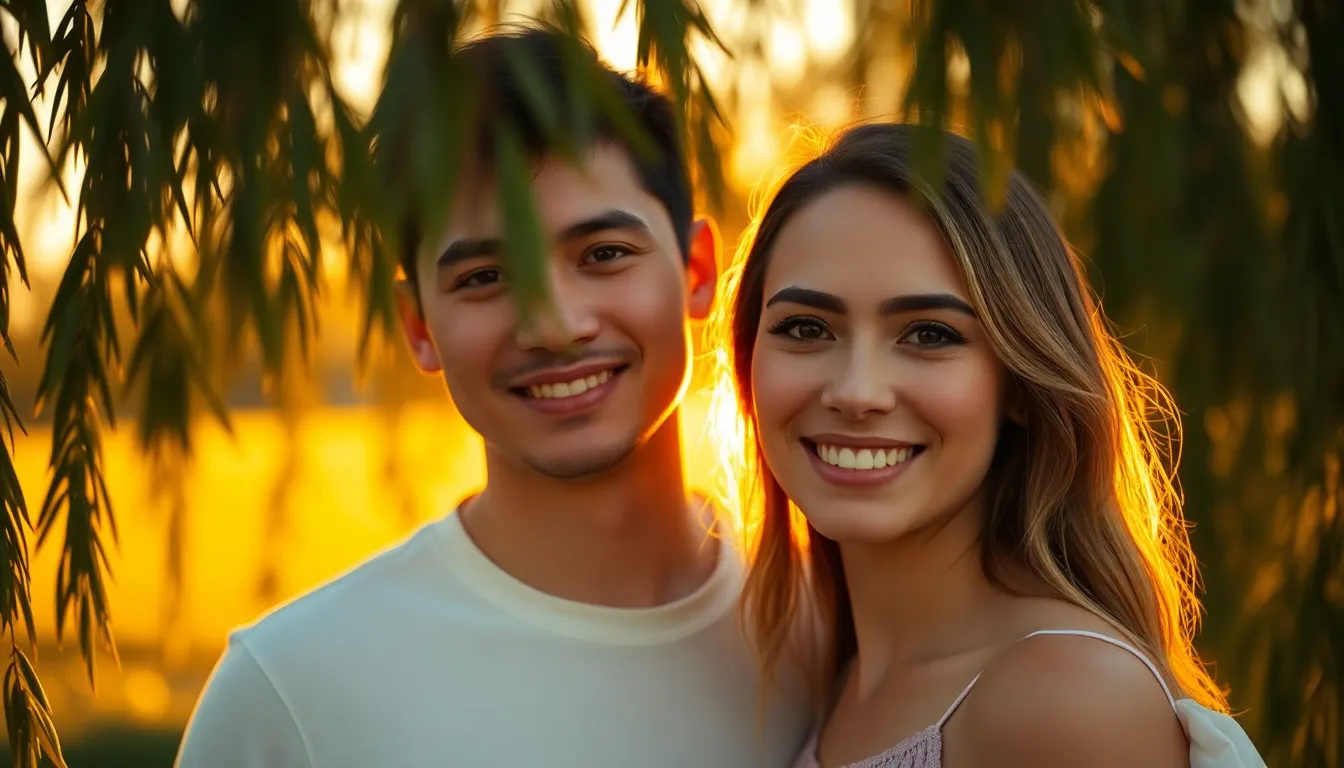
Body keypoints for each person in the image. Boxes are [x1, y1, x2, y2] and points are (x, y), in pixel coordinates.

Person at [175, 26, 811, 767]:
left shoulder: (834, 627)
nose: (553, 325)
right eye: (484, 277)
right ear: (418, 327)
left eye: (603, 255)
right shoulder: (292, 695)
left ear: (697, 270)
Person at [716, 123, 1266, 767]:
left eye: (928, 335)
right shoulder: (827, 678)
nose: (857, 391)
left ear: (1019, 385)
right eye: (807, 327)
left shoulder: (1069, 700)